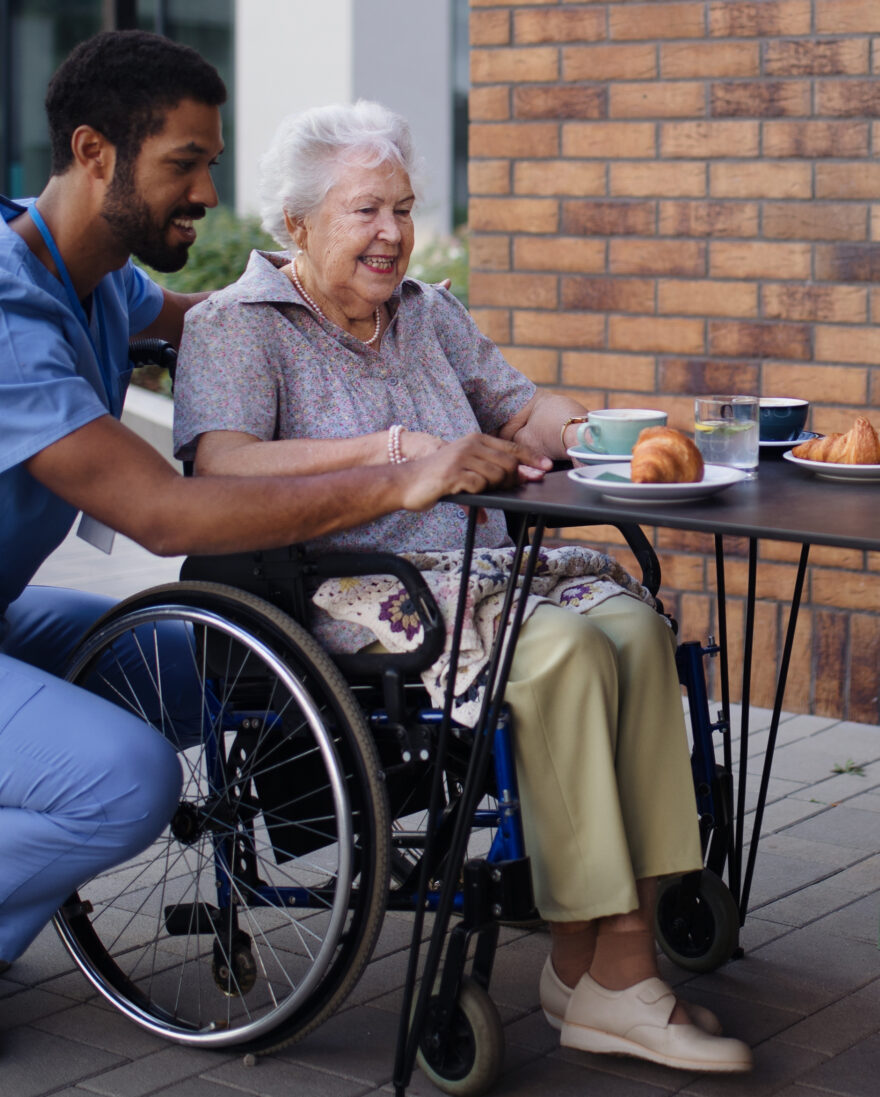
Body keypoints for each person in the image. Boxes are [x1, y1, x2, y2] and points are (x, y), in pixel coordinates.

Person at [0, 34, 545, 1072]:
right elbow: (165, 512)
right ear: (95, 152)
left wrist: (348, 286)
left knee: (237, 666)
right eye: (185, 163)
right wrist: (398, 474)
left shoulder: (95, 277)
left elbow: (237, 323)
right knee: (124, 777)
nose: (208, 190)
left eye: (210, 162)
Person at [172, 101, 752, 1075]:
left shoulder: (429, 313)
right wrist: (400, 452)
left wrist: (608, 434)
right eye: (366, 210)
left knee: (633, 626)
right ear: (297, 225)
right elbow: (221, 465)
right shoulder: (240, 327)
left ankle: (593, 965)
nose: (392, 232)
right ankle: (615, 971)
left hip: (484, 568)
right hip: (350, 584)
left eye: (401, 207)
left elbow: (523, 409)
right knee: (564, 650)